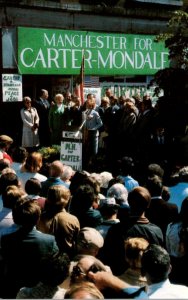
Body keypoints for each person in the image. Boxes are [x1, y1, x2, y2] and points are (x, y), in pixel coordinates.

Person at [1, 197, 59, 298]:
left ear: (15, 218)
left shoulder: (6, 239)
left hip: (11, 289)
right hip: (36, 290)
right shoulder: (49, 241)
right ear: (37, 219)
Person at [37, 185, 80, 255]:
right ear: (66, 200)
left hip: (44, 257)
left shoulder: (39, 217)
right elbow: (76, 241)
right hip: (64, 258)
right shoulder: (73, 220)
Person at [83, 95, 103, 168]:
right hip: (86, 134)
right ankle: (87, 165)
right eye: (87, 104)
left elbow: (100, 123)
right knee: (86, 151)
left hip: (94, 135)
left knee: (94, 151)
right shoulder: (84, 113)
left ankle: (94, 166)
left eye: (88, 105)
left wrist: (94, 128)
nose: (87, 106)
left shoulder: (95, 113)